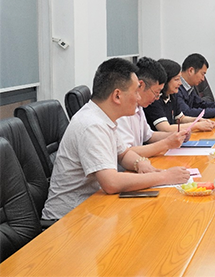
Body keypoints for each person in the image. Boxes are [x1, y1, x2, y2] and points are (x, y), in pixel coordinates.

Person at [41, 58, 191, 220]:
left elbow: (124, 154)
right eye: (135, 92)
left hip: (95, 207)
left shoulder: (105, 118)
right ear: (117, 96)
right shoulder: (92, 125)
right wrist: (165, 177)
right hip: (68, 219)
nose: (138, 98)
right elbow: (111, 183)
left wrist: (140, 163)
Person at [116, 57, 188, 164]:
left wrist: (176, 135)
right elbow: (126, 153)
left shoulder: (139, 107)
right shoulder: (122, 111)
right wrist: (166, 143)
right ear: (141, 85)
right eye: (156, 92)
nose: (157, 98)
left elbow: (149, 136)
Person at [143, 58, 215, 132]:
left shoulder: (172, 96)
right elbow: (166, 128)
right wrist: (196, 125)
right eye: (177, 79)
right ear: (166, 80)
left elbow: (181, 118)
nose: (180, 83)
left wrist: (199, 120)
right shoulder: (155, 99)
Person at [177, 53, 215, 118]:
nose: (203, 79)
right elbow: (186, 112)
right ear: (191, 71)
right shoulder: (176, 88)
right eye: (202, 74)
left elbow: (200, 104)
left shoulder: (189, 87)